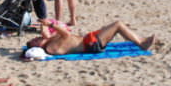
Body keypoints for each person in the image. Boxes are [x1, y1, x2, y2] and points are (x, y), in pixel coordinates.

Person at [26, 18, 155, 56]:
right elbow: (66, 34)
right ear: (37, 48)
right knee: (118, 24)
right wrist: (51, 24)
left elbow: (46, 34)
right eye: (35, 41)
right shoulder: (51, 48)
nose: (36, 38)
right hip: (92, 45)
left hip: (90, 39)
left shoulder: (49, 41)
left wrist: (43, 24)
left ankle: (140, 40)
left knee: (112, 27)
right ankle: (141, 43)